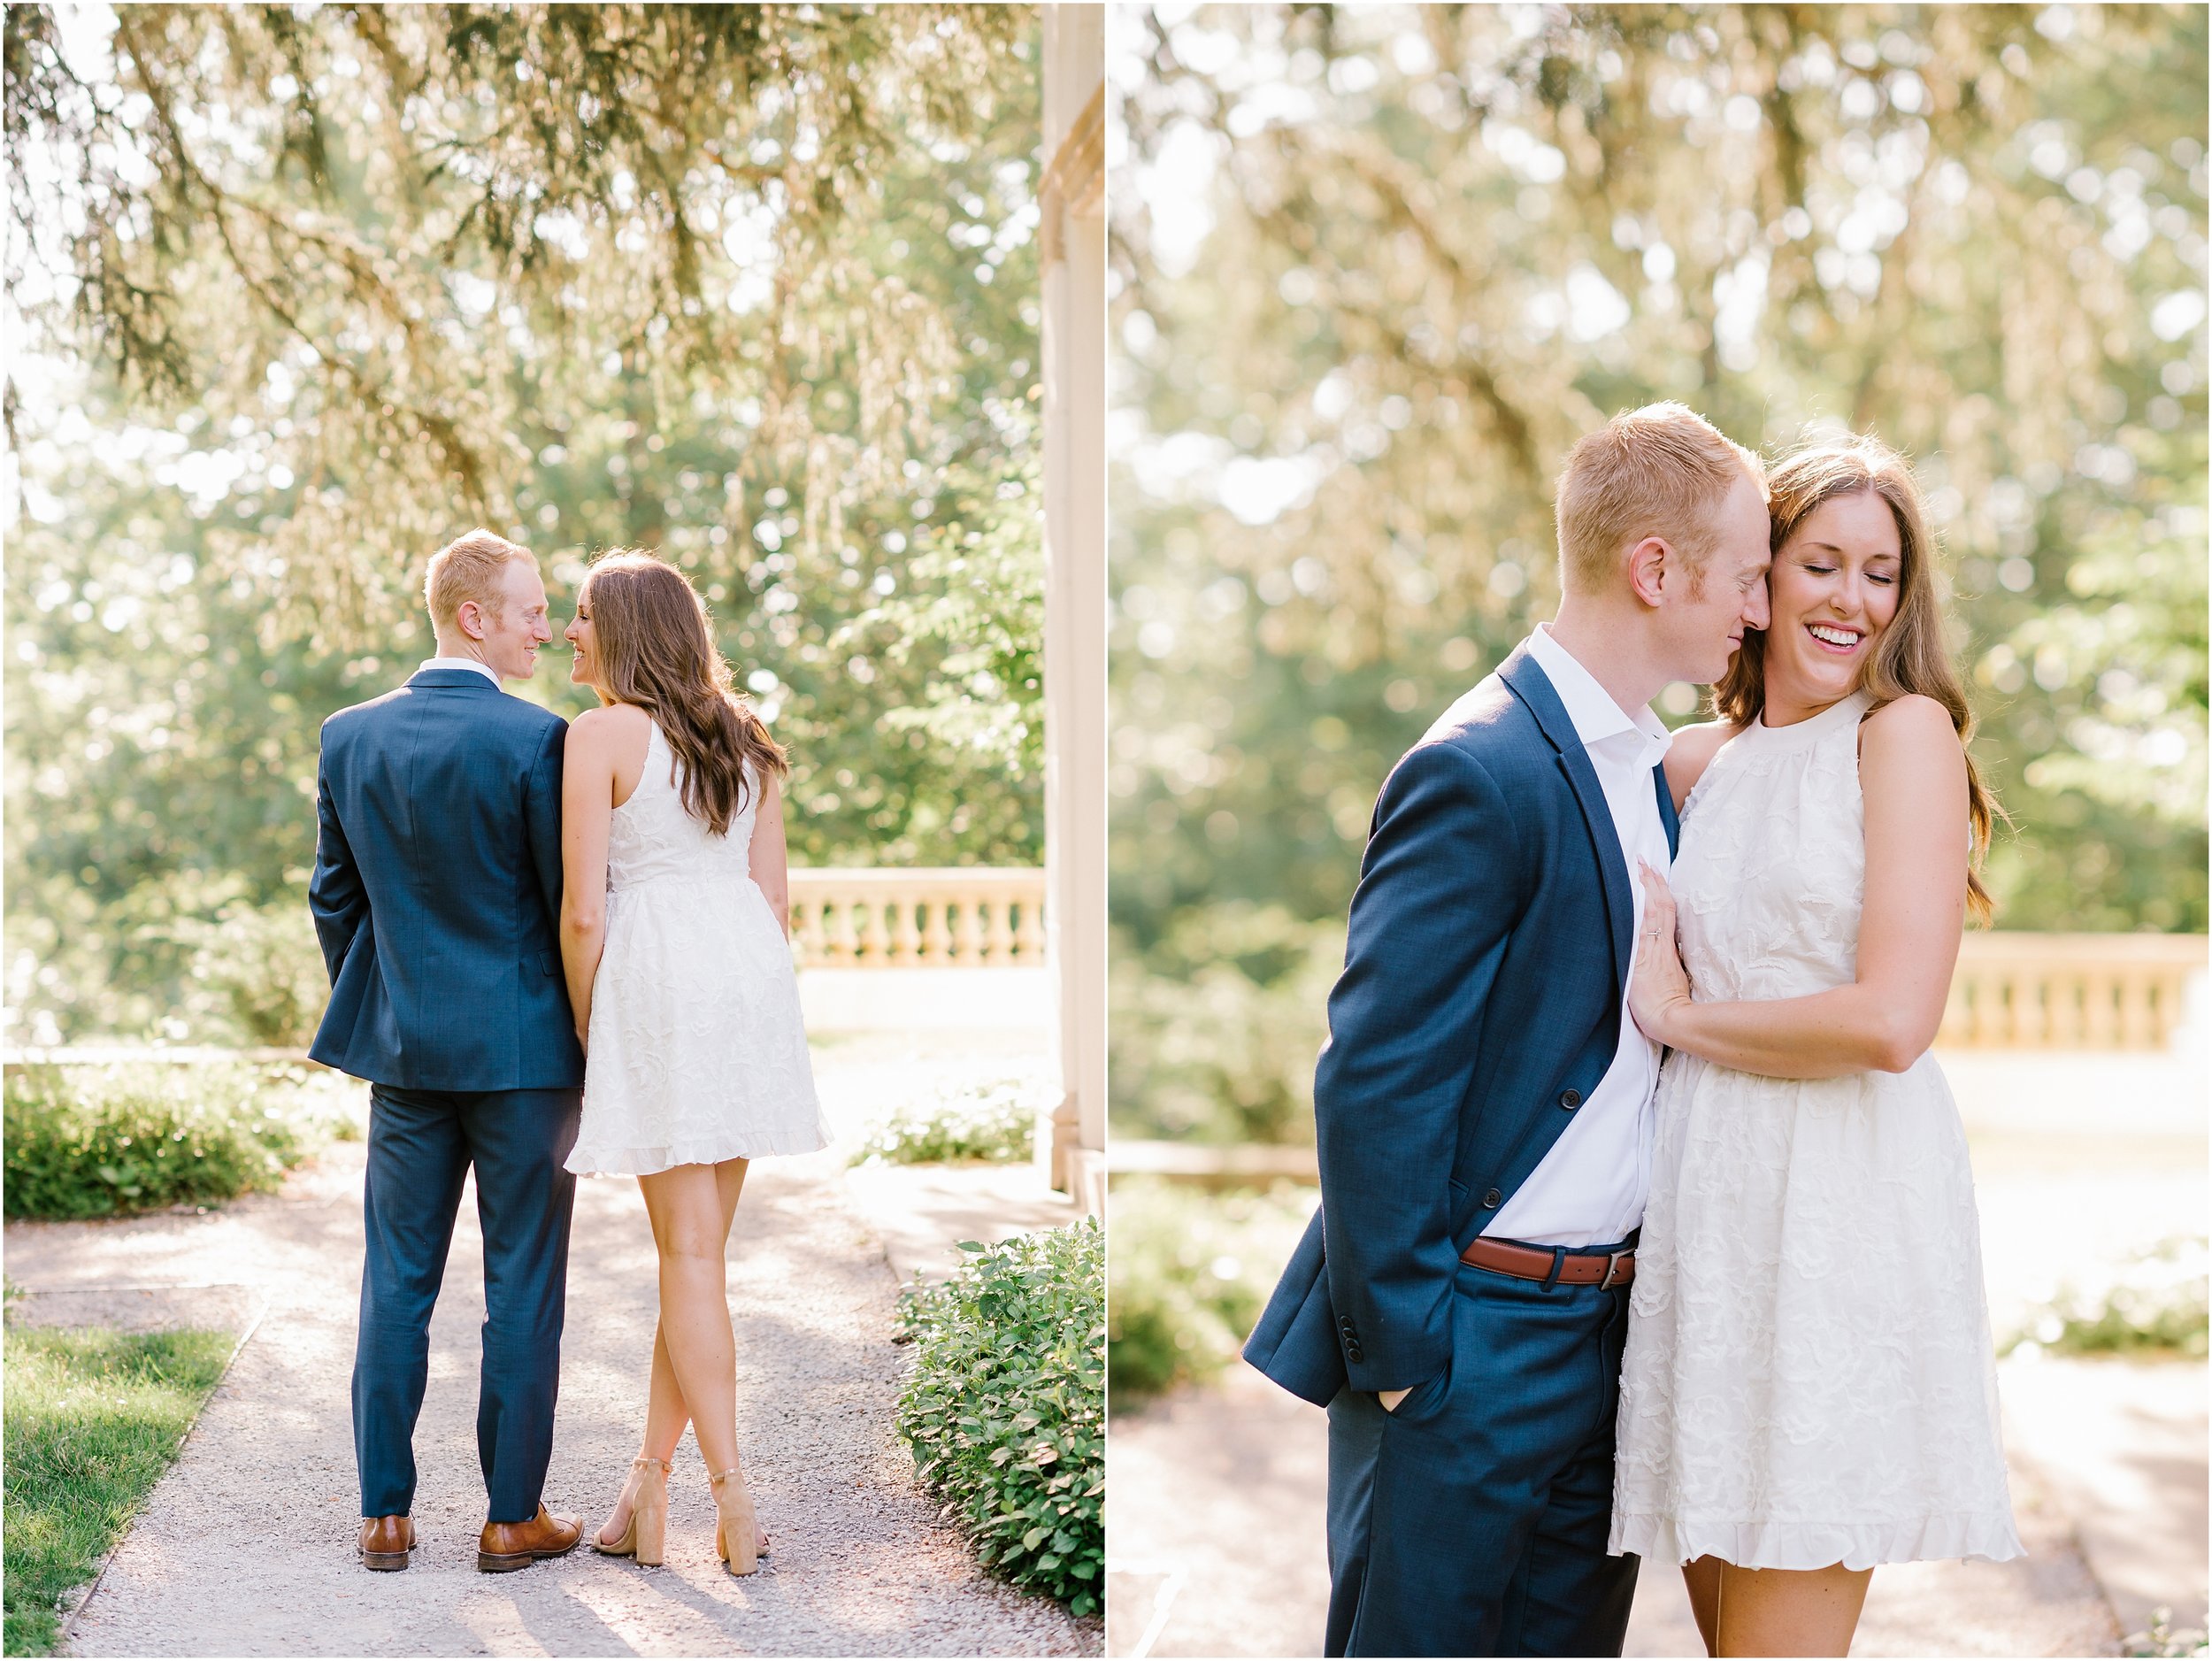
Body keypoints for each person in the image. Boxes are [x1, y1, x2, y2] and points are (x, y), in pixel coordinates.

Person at [1244, 404, 1775, 1657]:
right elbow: (1377, 1077)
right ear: (1657, 568)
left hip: (1606, 1340)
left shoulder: (1652, 770)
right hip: (1466, 1341)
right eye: (1748, 574)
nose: (1758, 607)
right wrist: (1408, 1354)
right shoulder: (1479, 766)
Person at [1613, 435, 2023, 1657]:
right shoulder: (1692, 765)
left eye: (1882, 574)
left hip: (1836, 1210)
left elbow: (1894, 1021)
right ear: (1760, 579)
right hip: (1706, 1224)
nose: (1852, 598)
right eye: (1822, 563)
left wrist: (1682, 1019)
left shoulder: (1901, 739)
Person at [311, 528, 587, 1574]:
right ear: (473, 615)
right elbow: (568, 907)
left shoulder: (349, 735)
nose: (546, 625)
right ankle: (511, 1517)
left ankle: (385, 1513)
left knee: (395, 1278)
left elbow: (334, 897)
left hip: (405, 1055)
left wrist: (387, 999)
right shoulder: (537, 738)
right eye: (529, 607)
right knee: (521, 1282)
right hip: (524, 1061)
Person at [557, 550, 830, 1576]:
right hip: (747, 984)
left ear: (624, 628)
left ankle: (732, 1494)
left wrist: (593, 1029)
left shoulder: (600, 734)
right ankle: (645, 1487)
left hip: (658, 986)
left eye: (582, 616)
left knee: (689, 1258)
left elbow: (584, 910)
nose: (570, 634)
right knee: (701, 1255)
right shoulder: (746, 736)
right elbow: (775, 901)